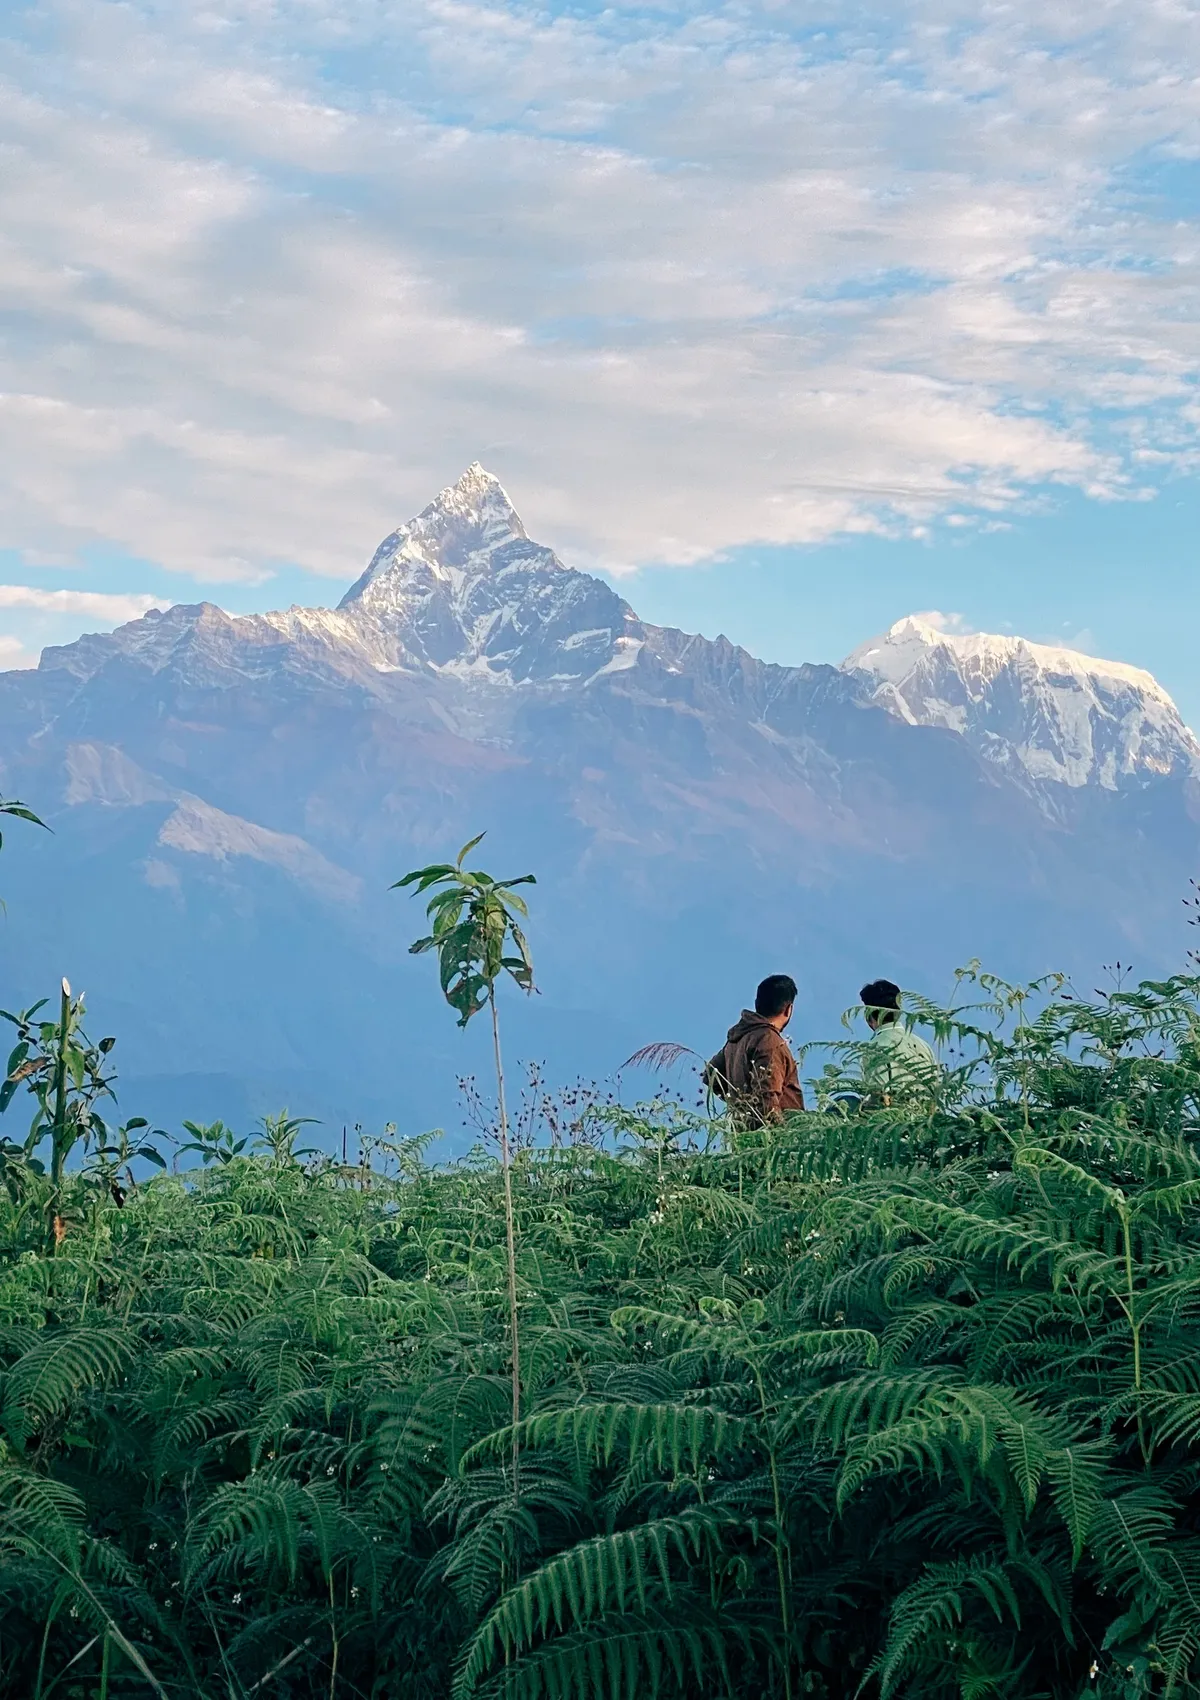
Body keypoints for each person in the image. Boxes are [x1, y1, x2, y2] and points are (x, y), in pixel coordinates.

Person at [705, 974, 805, 1124]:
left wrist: (740, 1104)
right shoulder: (769, 1041)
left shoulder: (737, 1039)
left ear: (757, 1004)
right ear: (788, 1009)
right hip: (780, 1140)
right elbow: (767, 1104)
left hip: (746, 1137)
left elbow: (710, 1074)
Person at [859, 978, 940, 1101]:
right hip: (926, 1118)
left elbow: (879, 1100)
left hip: (896, 1118)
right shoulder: (923, 1045)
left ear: (868, 1016)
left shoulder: (874, 1049)